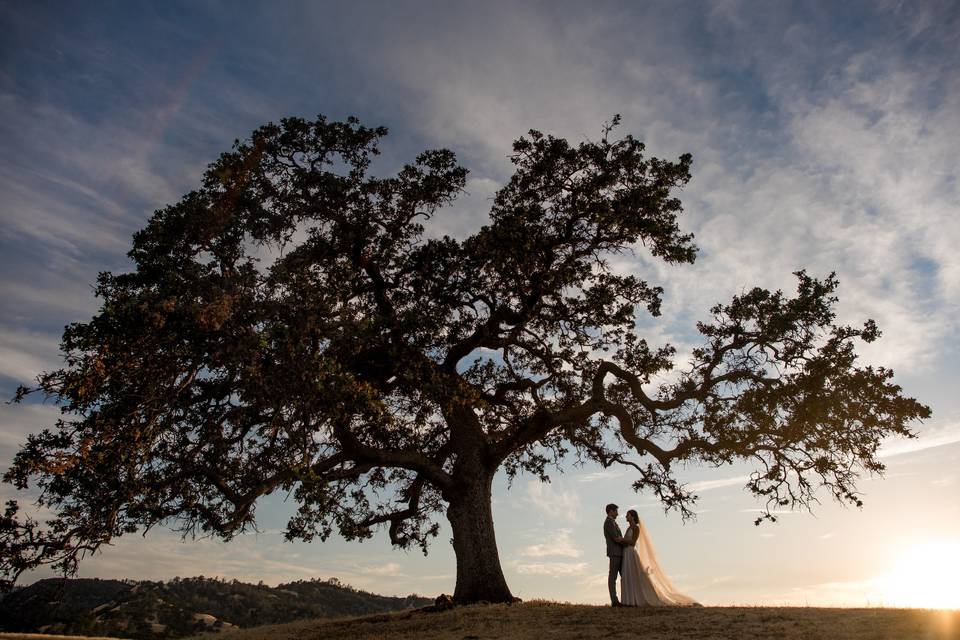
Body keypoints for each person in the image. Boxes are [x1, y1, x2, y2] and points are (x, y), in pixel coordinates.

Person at [619, 508, 699, 607]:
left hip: (631, 552)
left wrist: (622, 540)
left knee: (635, 574)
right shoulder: (628, 528)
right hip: (626, 552)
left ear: (632, 516)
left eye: (628, 515)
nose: (626, 516)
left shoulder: (636, 528)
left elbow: (633, 542)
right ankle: (629, 600)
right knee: (628, 575)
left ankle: (641, 597)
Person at [603, 503, 625, 607]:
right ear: (611, 511)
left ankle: (625, 598)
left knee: (624, 576)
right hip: (614, 552)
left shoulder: (613, 522)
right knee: (613, 577)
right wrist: (628, 541)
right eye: (616, 511)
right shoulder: (608, 522)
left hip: (619, 552)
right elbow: (616, 538)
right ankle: (614, 601)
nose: (617, 513)